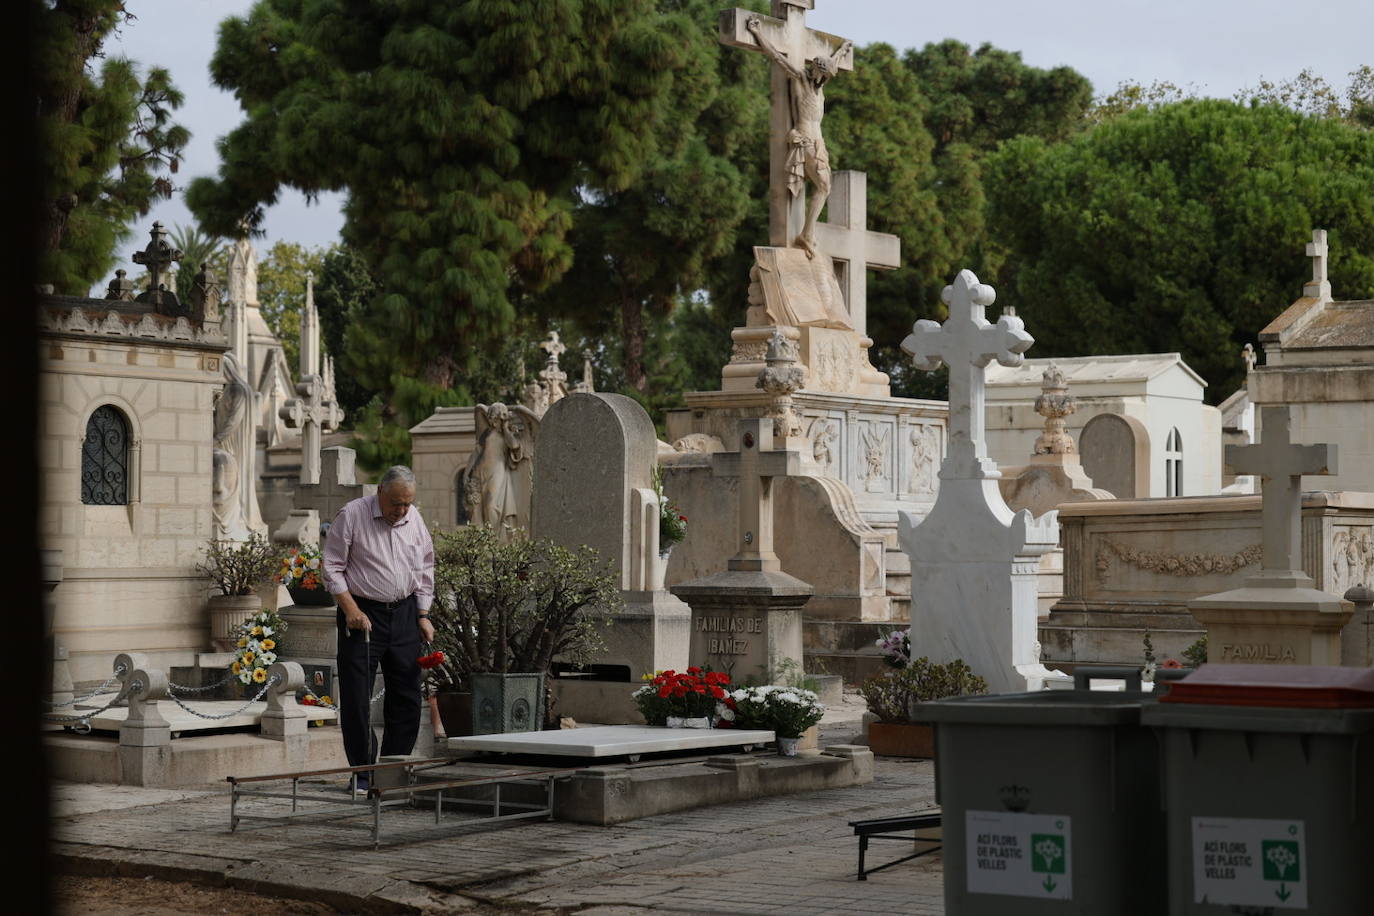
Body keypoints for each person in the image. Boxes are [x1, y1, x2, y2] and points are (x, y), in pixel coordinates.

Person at [323, 465, 435, 788]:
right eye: (396, 503)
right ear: (380, 493)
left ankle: (390, 772)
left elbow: (426, 566)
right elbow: (331, 567)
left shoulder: (414, 518)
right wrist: (351, 609)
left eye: (407, 504)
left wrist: (423, 615)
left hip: (404, 614)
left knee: (408, 698)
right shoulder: (353, 515)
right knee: (358, 699)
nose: (402, 511)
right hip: (362, 615)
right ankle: (362, 773)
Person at [746, 15, 852, 259]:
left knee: (825, 187)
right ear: (815, 69)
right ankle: (806, 233)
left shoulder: (820, 87)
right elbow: (777, 57)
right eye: (823, 74)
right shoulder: (802, 79)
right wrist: (757, 32)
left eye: (827, 77)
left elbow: (833, 61)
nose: (825, 79)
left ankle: (806, 232)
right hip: (804, 138)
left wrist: (843, 51)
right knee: (824, 186)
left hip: (819, 143)